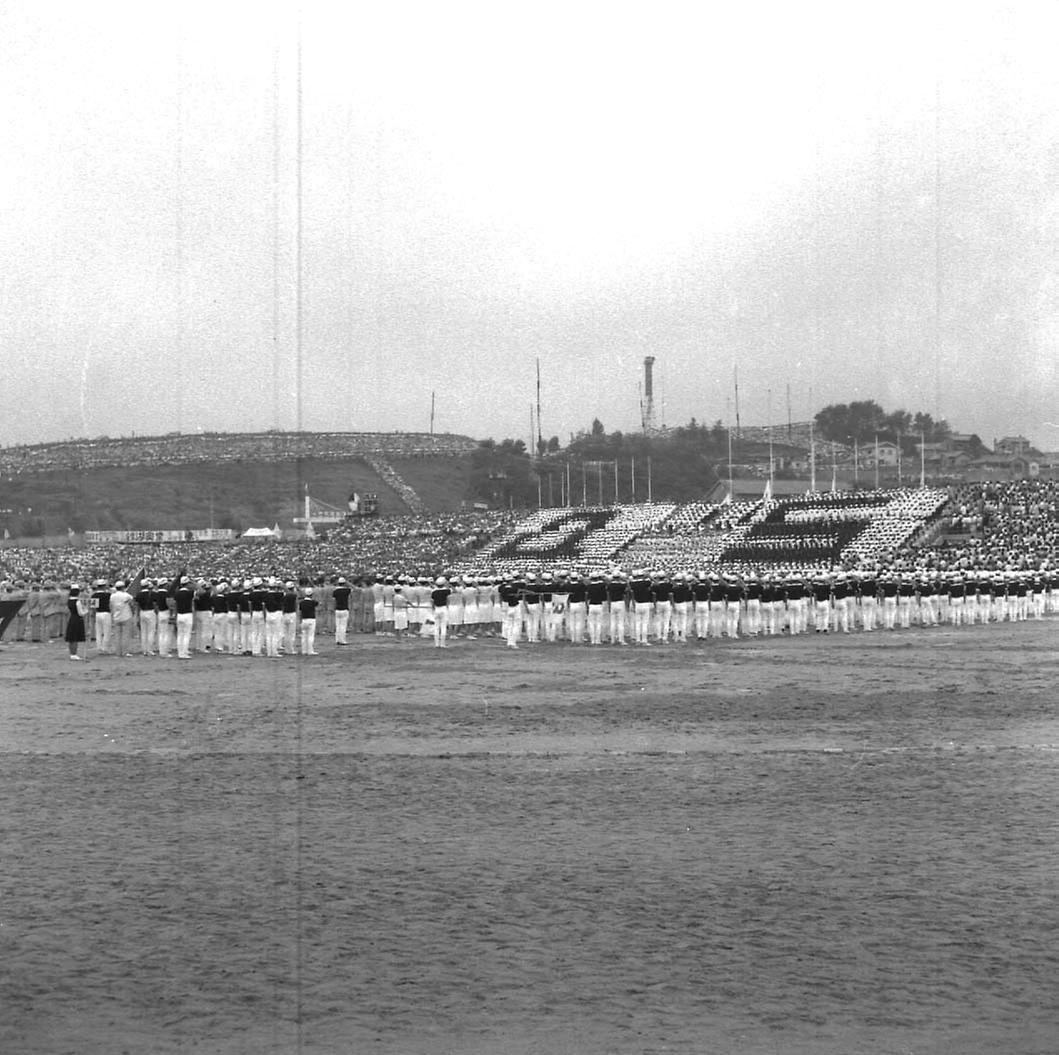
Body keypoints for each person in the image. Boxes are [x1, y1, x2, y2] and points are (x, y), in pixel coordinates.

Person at [109, 580, 136, 656]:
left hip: (116, 617)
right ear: (123, 587)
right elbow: (132, 604)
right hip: (126, 616)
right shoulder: (127, 595)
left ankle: (118, 652)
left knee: (117, 635)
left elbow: (111, 605)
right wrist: (133, 611)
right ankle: (125, 651)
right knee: (125, 635)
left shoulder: (112, 596)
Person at [64, 584, 87, 660]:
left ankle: (72, 653)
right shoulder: (77, 602)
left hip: (72, 618)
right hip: (77, 619)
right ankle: (74, 653)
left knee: (71, 638)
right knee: (75, 637)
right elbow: (80, 613)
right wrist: (86, 611)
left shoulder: (69, 600)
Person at [298, 587, 319, 655]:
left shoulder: (301, 603)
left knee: (304, 636)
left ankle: (304, 650)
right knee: (310, 636)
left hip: (304, 619)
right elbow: (317, 602)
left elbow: (300, 612)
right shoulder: (313, 602)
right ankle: (310, 650)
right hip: (311, 619)